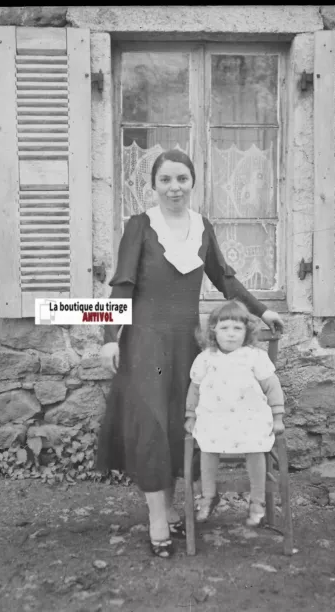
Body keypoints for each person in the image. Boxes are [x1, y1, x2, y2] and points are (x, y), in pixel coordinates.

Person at [97, 149, 284, 558]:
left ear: (193, 182)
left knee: (176, 430)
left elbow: (226, 280)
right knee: (151, 426)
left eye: (182, 178)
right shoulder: (139, 226)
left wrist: (263, 310)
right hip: (145, 343)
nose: (174, 187)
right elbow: (122, 287)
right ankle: (157, 519)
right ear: (154, 184)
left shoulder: (202, 227)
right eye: (165, 179)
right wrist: (110, 337)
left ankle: (169, 509)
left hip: (186, 344)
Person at [184, 300, 285, 526]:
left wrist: (278, 417)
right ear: (213, 330)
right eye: (224, 328)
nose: (231, 335)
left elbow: (272, 386)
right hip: (214, 418)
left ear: (246, 331)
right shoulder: (206, 358)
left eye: (237, 329)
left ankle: (257, 500)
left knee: (256, 447)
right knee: (208, 447)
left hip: (249, 418)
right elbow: (195, 388)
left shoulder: (254, 356)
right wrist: (190, 416)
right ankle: (208, 495)